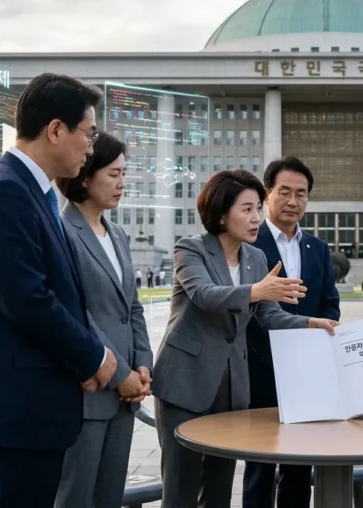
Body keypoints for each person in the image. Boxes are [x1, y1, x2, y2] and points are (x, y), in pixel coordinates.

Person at [0, 73, 120, 507]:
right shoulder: (5, 193)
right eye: (89, 133)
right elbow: (27, 300)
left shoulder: (34, 193)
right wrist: (93, 357)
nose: (90, 145)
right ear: (55, 130)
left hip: (31, 410)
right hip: (14, 413)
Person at [151, 169, 339, 507]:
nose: (256, 219)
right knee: (181, 486)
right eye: (247, 209)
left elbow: (268, 315)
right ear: (222, 213)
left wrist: (311, 322)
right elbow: (205, 295)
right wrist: (256, 290)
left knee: (220, 487)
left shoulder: (255, 257)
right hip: (185, 383)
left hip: (232, 387)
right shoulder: (190, 249)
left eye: (257, 209)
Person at [54, 132, 154, 507]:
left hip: (127, 394)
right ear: (84, 176)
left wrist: (143, 366)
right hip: (91, 391)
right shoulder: (62, 231)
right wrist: (121, 374)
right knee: (76, 495)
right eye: (113, 174)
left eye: (124, 174)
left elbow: (133, 308)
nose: (122, 183)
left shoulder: (118, 234)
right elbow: (75, 312)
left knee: (109, 496)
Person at [242, 157, 341, 508]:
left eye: (301, 194)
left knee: (299, 465)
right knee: (260, 465)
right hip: (261, 366)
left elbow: (330, 303)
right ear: (268, 194)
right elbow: (246, 305)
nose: (293, 201)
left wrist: (320, 334)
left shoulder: (317, 248)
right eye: (284, 192)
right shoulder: (249, 244)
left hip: (306, 371)